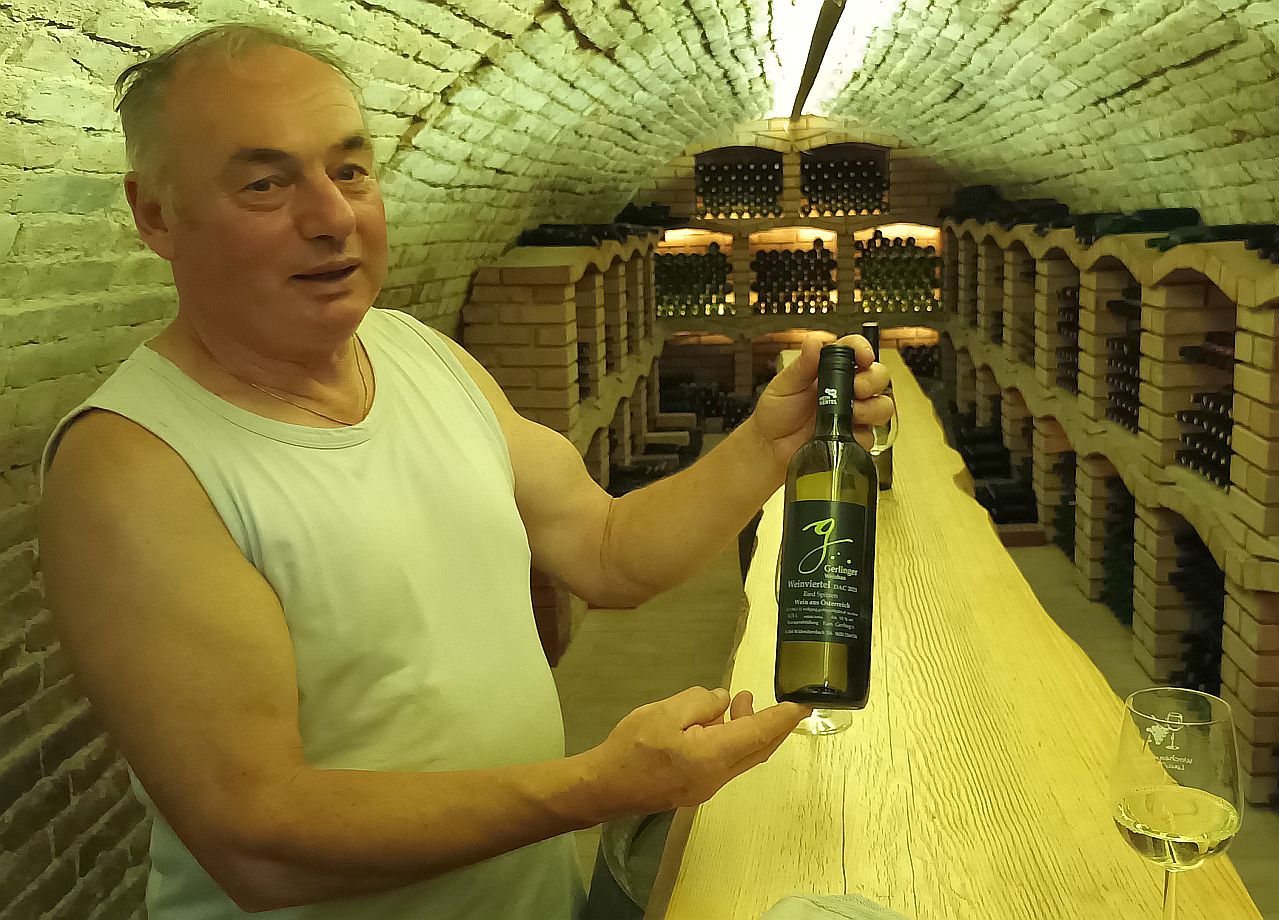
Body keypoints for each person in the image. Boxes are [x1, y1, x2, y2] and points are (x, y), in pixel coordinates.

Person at [35, 22, 893, 920]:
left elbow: (606, 550)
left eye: (350, 170)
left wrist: (767, 445)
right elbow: (259, 840)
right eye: (265, 184)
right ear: (156, 215)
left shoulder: (419, 355)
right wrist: (599, 786)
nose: (332, 217)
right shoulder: (133, 466)